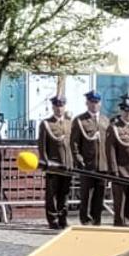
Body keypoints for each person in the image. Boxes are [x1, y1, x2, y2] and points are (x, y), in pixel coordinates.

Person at [36, 96, 75, 229]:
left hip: (67, 164)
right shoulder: (46, 124)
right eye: (57, 106)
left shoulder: (70, 123)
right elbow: (42, 146)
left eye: (62, 106)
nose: (59, 109)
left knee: (64, 193)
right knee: (52, 194)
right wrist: (45, 162)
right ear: (53, 107)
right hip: (53, 164)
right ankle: (53, 219)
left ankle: (63, 217)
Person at [70, 91, 109, 225]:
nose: (94, 105)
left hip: (102, 165)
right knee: (87, 194)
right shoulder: (80, 120)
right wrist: (79, 160)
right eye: (92, 102)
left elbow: (108, 144)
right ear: (87, 103)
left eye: (97, 102)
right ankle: (86, 220)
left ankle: (96, 219)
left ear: (100, 103)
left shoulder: (105, 120)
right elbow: (74, 143)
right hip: (87, 164)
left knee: (100, 195)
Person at [105, 95, 129, 227]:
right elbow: (110, 151)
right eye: (126, 111)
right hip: (122, 170)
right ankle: (120, 223)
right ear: (121, 110)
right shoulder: (114, 127)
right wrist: (114, 170)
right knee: (120, 201)